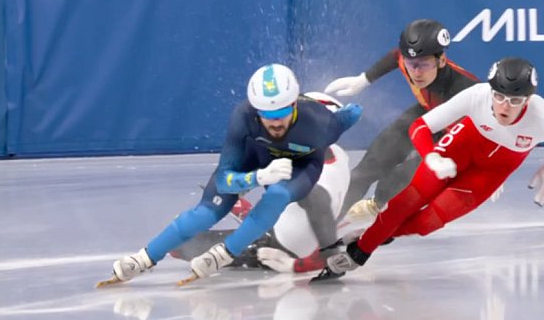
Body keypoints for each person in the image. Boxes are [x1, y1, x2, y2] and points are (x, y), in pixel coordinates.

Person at [316, 57, 544, 279]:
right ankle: (357, 255)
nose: (504, 107)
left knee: (427, 223)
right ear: (490, 91)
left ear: (528, 100)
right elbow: (419, 127)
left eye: (514, 100)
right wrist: (430, 157)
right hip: (461, 148)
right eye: (498, 96)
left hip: (491, 172)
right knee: (405, 202)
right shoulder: (476, 97)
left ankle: (371, 233)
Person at [100, 64, 362, 286]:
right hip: (256, 159)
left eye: (282, 113)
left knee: (278, 195)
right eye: (267, 115)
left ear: (295, 105)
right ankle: (143, 258)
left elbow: (347, 118)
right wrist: (256, 178)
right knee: (205, 212)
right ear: (255, 110)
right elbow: (226, 178)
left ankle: (226, 252)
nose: (276, 123)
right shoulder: (242, 117)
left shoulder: (321, 125)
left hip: (299, 166)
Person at [169, 93, 372, 274]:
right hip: (291, 228)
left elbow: (318, 202)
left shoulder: (299, 157)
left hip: (282, 243)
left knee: (181, 244)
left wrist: (305, 262)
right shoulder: (338, 156)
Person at [324, 19, 478, 223]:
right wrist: (363, 79)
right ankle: (324, 227)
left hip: (454, 136)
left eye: (424, 64)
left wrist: (486, 165)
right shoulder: (407, 61)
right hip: (426, 114)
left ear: (442, 60)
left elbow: (497, 122)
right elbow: (396, 56)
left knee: (397, 182)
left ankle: (380, 207)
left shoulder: (468, 91)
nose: (416, 72)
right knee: (366, 170)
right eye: (411, 64)